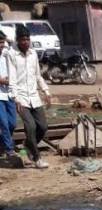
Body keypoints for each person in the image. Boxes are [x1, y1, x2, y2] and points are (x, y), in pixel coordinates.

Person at [8, 26, 50, 169]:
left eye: (27, 39)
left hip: (34, 96)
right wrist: (15, 97)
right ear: (17, 40)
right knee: (30, 126)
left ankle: (28, 146)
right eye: (22, 39)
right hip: (21, 98)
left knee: (43, 126)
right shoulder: (12, 55)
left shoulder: (33, 54)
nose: (25, 42)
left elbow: (38, 75)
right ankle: (37, 158)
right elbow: (12, 79)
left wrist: (46, 91)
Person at [0, 31, 17, 158]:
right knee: (4, 124)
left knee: (12, 123)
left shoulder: (6, 54)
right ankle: (9, 150)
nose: (1, 45)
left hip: (9, 93)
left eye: (2, 42)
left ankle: (2, 144)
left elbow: (15, 55)